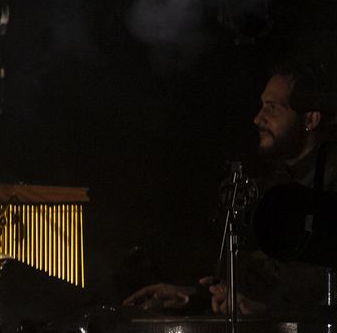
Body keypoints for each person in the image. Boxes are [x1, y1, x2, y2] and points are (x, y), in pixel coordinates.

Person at [123, 59, 336, 316]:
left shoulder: (326, 190)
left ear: (310, 119)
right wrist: (193, 296)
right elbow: (264, 280)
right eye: (261, 106)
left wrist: (268, 311)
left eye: (272, 108)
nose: (258, 119)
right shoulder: (275, 184)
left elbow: (316, 289)